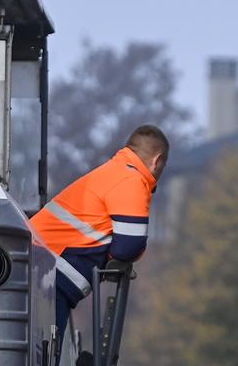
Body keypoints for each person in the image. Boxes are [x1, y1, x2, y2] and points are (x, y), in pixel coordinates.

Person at [29, 125, 169, 335]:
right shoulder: (132, 181)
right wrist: (115, 255)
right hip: (47, 276)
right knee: (43, 359)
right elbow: (129, 246)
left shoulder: (114, 172)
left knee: (41, 357)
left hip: (38, 268)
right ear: (157, 161)